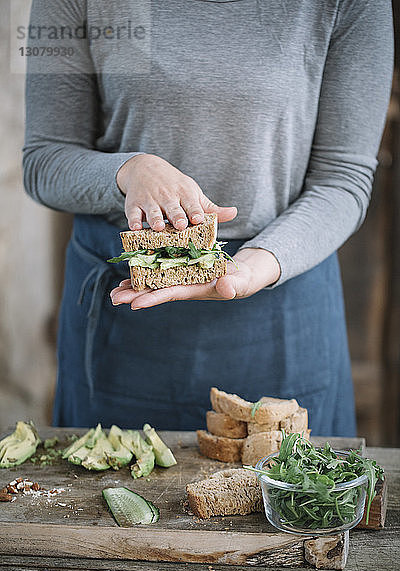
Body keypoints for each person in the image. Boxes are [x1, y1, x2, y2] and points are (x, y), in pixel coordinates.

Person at [23, 0, 393, 434]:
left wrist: (254, 267)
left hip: (278, 294)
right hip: (123, 316)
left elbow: (342, 178)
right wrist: (130, 170)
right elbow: (43, 161)